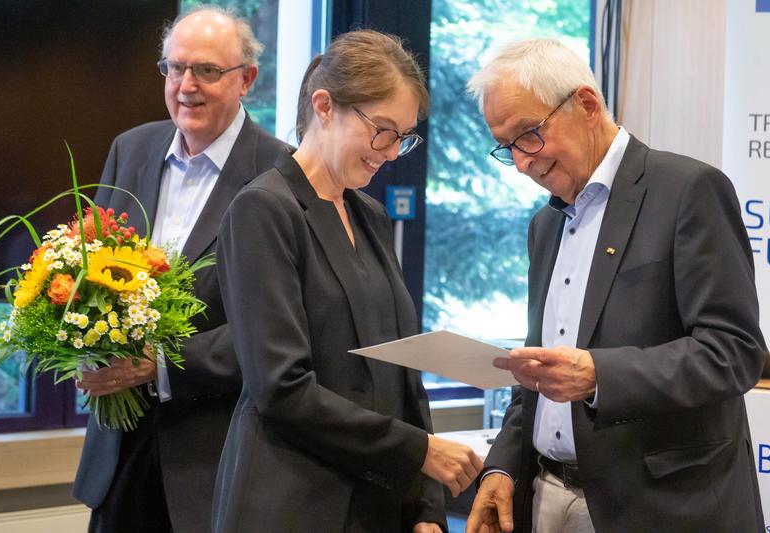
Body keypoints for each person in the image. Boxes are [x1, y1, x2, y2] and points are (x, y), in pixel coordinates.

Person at [464, 38, 767, 533]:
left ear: (586, 103)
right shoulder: (546, 225)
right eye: (506, 146)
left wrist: (600, 375)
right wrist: (502, 465)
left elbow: (733, 353)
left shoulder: (688, 191)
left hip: (662, 508)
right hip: (545, 496)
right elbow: (538, 368)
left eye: (529, 135)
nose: (521, 163)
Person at [212, 29, 483, 533]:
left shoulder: (369, 215)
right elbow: (281, 388)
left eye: (403, 136)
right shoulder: (263, 209)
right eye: (382, 129)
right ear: (324, 105)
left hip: (373, 505)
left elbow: (406, 375)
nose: (391, 150)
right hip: (290, 503)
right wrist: (419, 452)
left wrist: (423, 509)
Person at [72, 6, 288, 532]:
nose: (187, 85)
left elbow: (281, 336)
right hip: (116, 455)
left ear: (246, 80)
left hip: (211, 465)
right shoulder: (132, 148)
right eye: (175, 68)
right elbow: (87, 270)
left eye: (207, 71)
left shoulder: (281, 173)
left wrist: (160, 363)